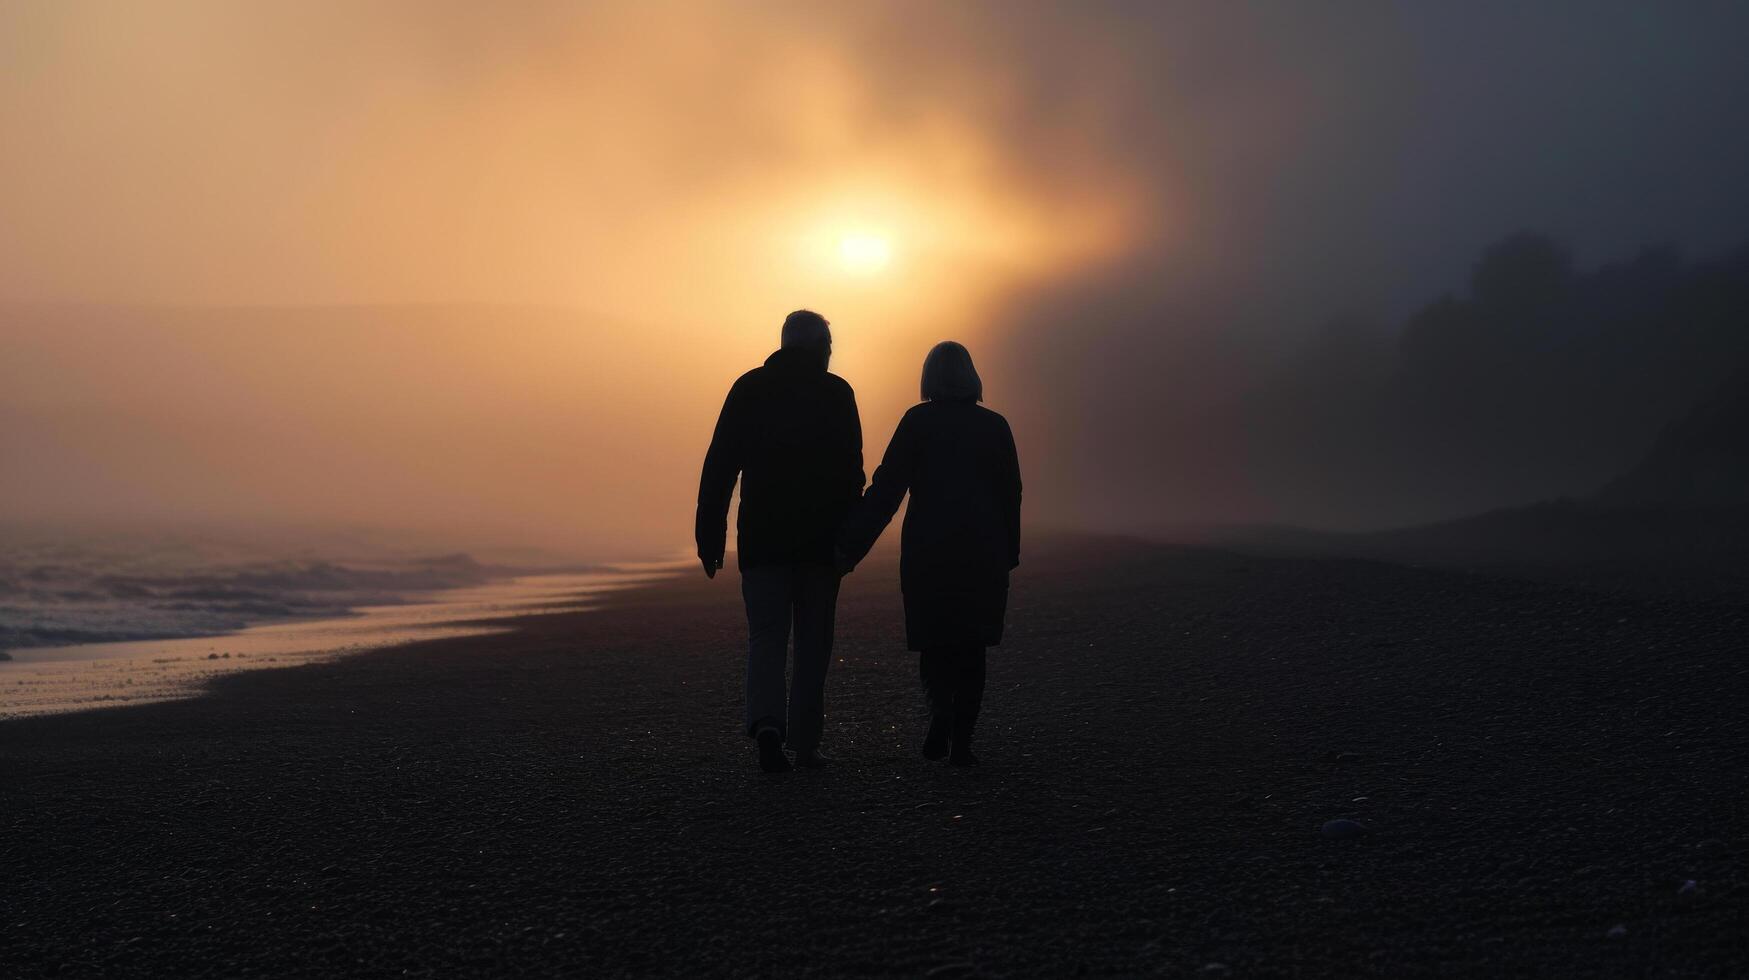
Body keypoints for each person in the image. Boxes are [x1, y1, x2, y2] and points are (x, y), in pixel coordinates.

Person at [837, 341, 1021, 766]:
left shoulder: (917, 422)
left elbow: (887, 489)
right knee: (972, 645)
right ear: (971, 376)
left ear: (928, 378)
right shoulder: (995, 426)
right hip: (983, 549)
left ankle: (939, 710)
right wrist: (1009, 549)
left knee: (936, 641)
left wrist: (850, 544)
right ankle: (963, 740)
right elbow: (1011, 493)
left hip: (928, 551)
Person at [696, 310, 864, 773]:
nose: (831, 354)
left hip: (763, 540)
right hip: (820, 543)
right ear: (818, 347)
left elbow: (721, 466)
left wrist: (709, 533)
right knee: (814, 641)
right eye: (828, 345)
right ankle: (806, 744)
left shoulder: (749, 388)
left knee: (766, 637)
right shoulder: (836, 393)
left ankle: (768, 725)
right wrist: (853, 538)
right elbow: (853, 474)